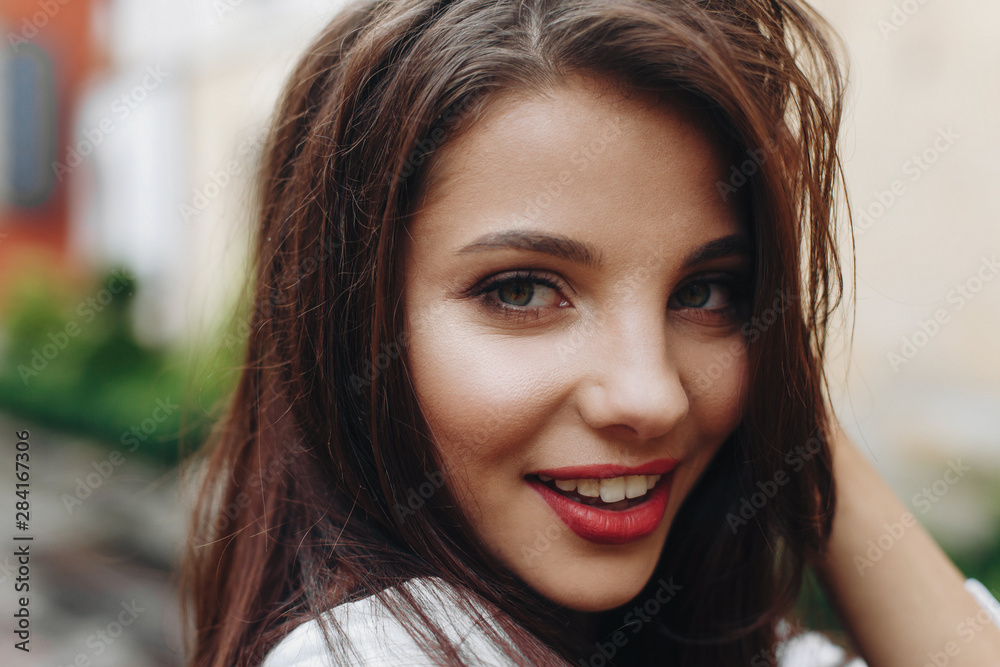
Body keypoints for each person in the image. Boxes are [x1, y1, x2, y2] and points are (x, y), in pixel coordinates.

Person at [179, 1, 1000, 665]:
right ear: (347, 328)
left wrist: (788, 407)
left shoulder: (706, 636)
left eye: (708, 291)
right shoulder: (371, 652)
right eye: (525, 289)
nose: (649, 394)